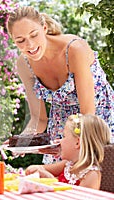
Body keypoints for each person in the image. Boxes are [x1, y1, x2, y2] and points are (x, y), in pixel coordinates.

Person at [6, 6, 114, 164]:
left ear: (44, 28)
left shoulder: (75, 50)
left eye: (34, 35)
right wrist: (21, 143)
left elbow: (88, 114)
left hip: (98, 120)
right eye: (20, 40)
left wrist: (72, 145)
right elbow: (39, 118)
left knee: (98, 179)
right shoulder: (24, 65)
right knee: (59, 184)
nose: (29, 45)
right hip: (62, 126)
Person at [25, 114, 110, 189]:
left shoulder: (91, 175)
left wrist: (53, 182)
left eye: (64, 136)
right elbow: (39, 169)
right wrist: (36, 169)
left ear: (77, 143)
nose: (60, 141)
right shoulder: (67, 165)